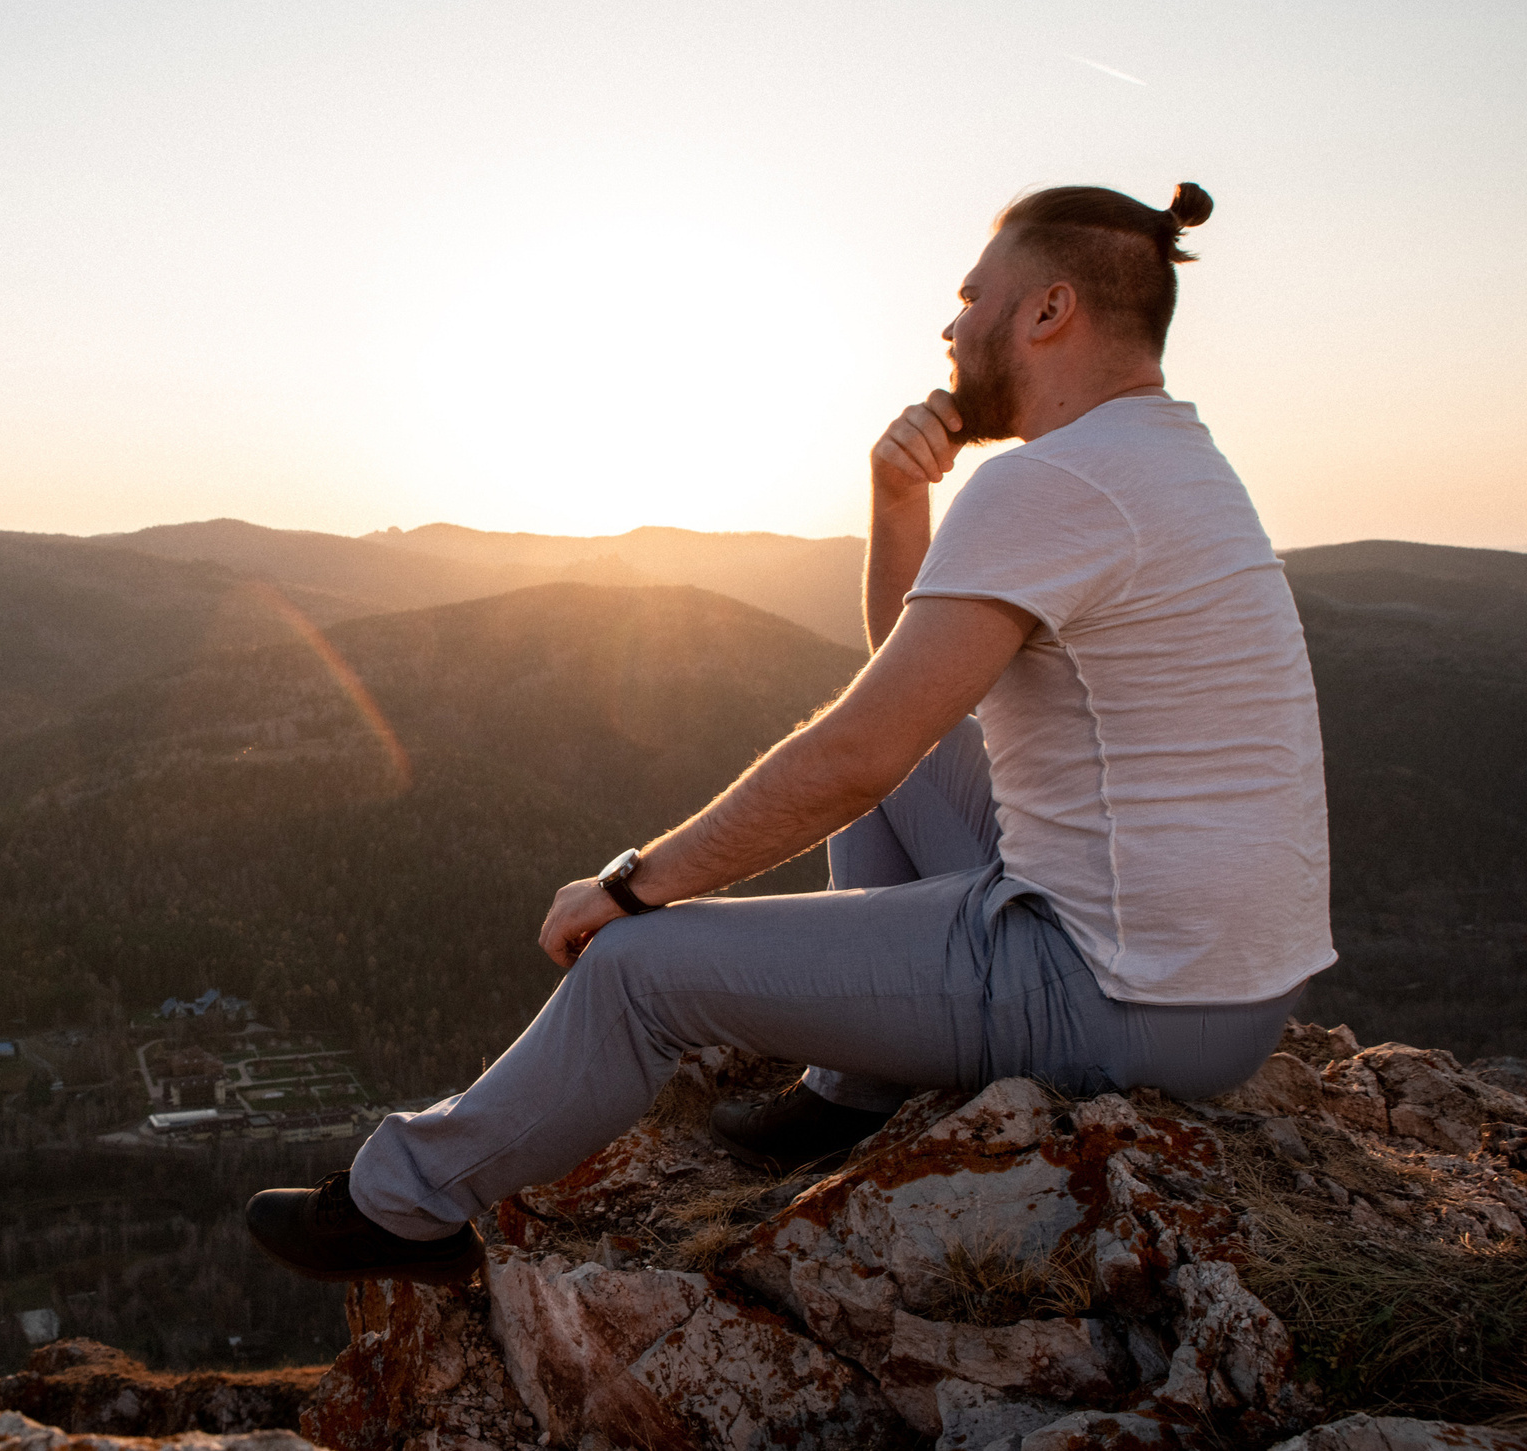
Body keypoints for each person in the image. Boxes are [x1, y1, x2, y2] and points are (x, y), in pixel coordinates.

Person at [245, 182, 1333, 1287]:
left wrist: (628, 887)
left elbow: (854, 754)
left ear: (1048, 310)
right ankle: (850, 1089)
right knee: (882, 757)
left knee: (635, 970)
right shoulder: (1167, 454)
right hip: (1214, 983)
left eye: (970, 298)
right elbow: (901, 702)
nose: (950, 327)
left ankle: (400, 1206)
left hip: (1115, 992)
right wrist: (898, 499)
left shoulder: (1048, 480)